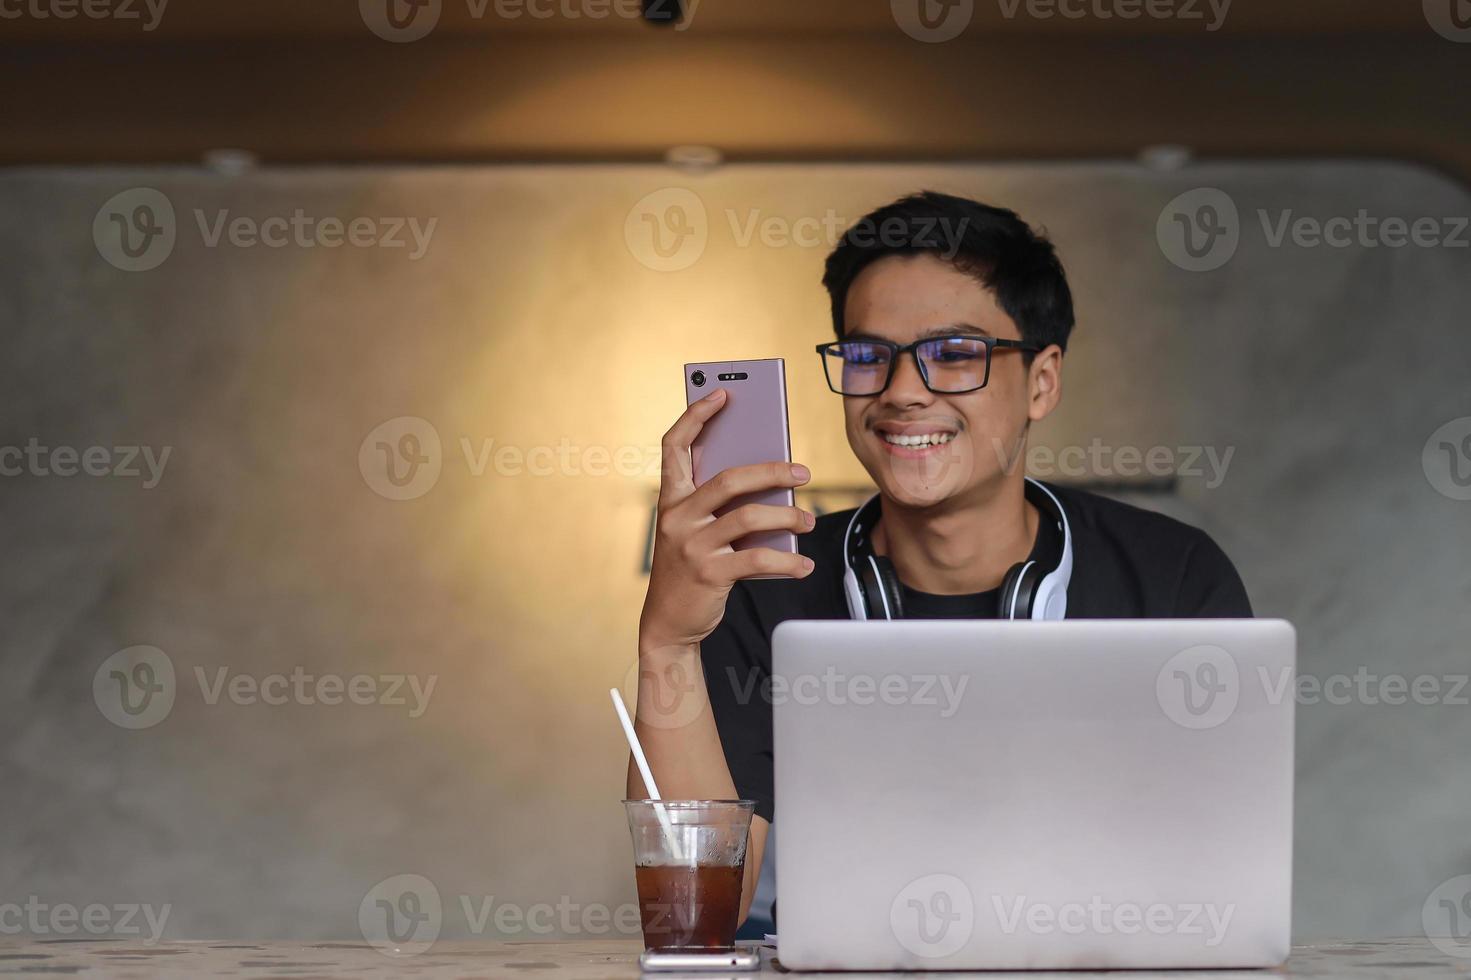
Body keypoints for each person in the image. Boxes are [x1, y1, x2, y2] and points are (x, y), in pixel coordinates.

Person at [627, 190, 1252, 927]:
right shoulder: (762, 585)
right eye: (867, 356)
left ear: (1042, 382)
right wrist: (666, 644)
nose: (900, 393)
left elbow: (1219, 896)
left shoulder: (1171, 576)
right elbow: (696, 923)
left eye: (953, 355)